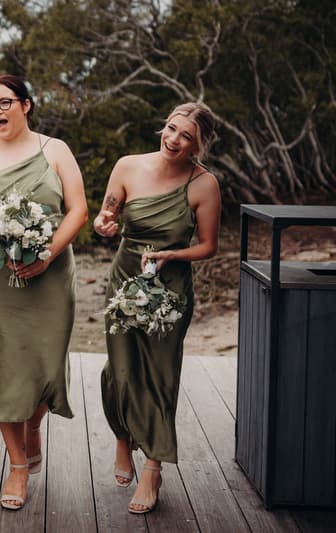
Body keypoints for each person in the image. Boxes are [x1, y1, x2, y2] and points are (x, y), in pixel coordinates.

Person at [0, 74, 88, 510]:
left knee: (46, 363)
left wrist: (46, 254)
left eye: (4, 102)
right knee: (1, 366)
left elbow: (78, 210)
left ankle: (32, 426)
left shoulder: (55, 150)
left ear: (26, 105)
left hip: (50, 274)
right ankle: (16, 465)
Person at [93, 102, 220, 514]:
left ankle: (153, 468)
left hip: (171, 287)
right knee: (121, 368)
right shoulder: (128, 166)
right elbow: (106, 214)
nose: (174, 139)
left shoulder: (204, 185)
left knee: (161, 374)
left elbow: (208, 246)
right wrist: (104, 224)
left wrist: (170, 256)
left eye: (186, 136)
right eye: (171, 128)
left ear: (198, 145)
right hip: (125, 279)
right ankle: (122, 439)